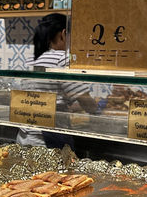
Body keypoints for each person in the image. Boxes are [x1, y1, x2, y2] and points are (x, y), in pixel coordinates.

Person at [16, 13, 97, 148]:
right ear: (64, 34)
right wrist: (99, 108)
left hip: (24, 136)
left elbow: (44, 95)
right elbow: (86, 103)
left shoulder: (32, 58)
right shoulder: (63, 58)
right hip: (48, 140)